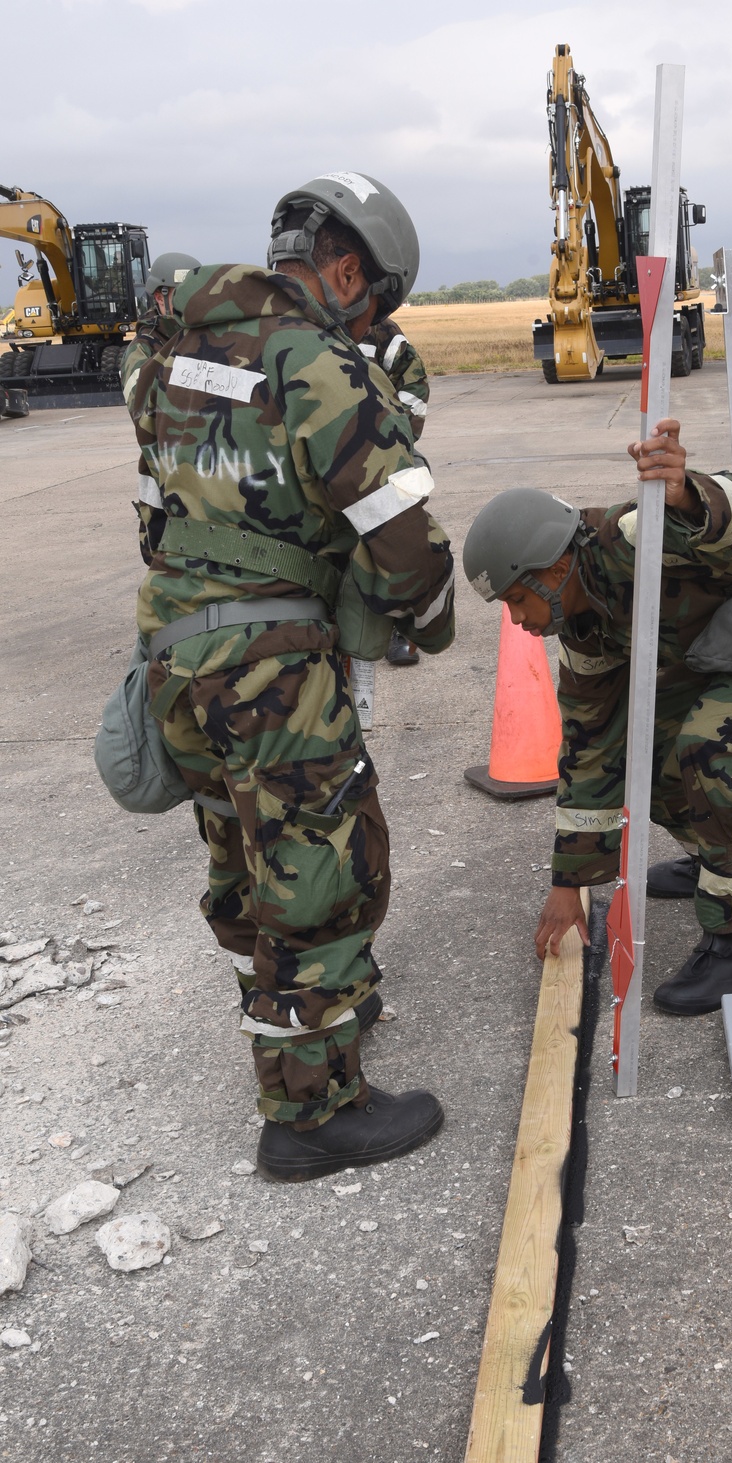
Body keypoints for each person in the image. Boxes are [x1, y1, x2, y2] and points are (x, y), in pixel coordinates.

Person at [128, 172, 455, 1181]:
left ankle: (286, 1021)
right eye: (379, 298)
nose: (373, 320)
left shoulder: (170, 352)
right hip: (269, 666)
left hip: (174, 649)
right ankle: (310, 1112)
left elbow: (159, 508)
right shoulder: (315, 360)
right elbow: (400, 532)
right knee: (317, 871)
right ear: (348, 268)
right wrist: (429, 621)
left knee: (238, 856)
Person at [463, 420, 732, 1016]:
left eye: (515, 600)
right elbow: (589, 745)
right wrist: (568, 884)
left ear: (549, 571)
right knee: (645, 758)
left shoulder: (636, 536)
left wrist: (683, 493)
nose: (518, 621)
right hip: (715, 640)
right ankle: (718, 857)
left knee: (709, 747)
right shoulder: (583, 627)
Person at [359, 316, 431, 667]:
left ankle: (402, 626)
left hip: (380, 450)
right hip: (313, 457)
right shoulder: (292, 324)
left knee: (408, 503)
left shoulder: (380, 331)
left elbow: (414, 386)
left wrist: (390, 435)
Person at [120, 251, 201, 414]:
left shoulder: (211, 334)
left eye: (196, 292)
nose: (192, 301)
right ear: (159, 297)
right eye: (182, 294)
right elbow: (145, 416)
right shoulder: (143, 349)